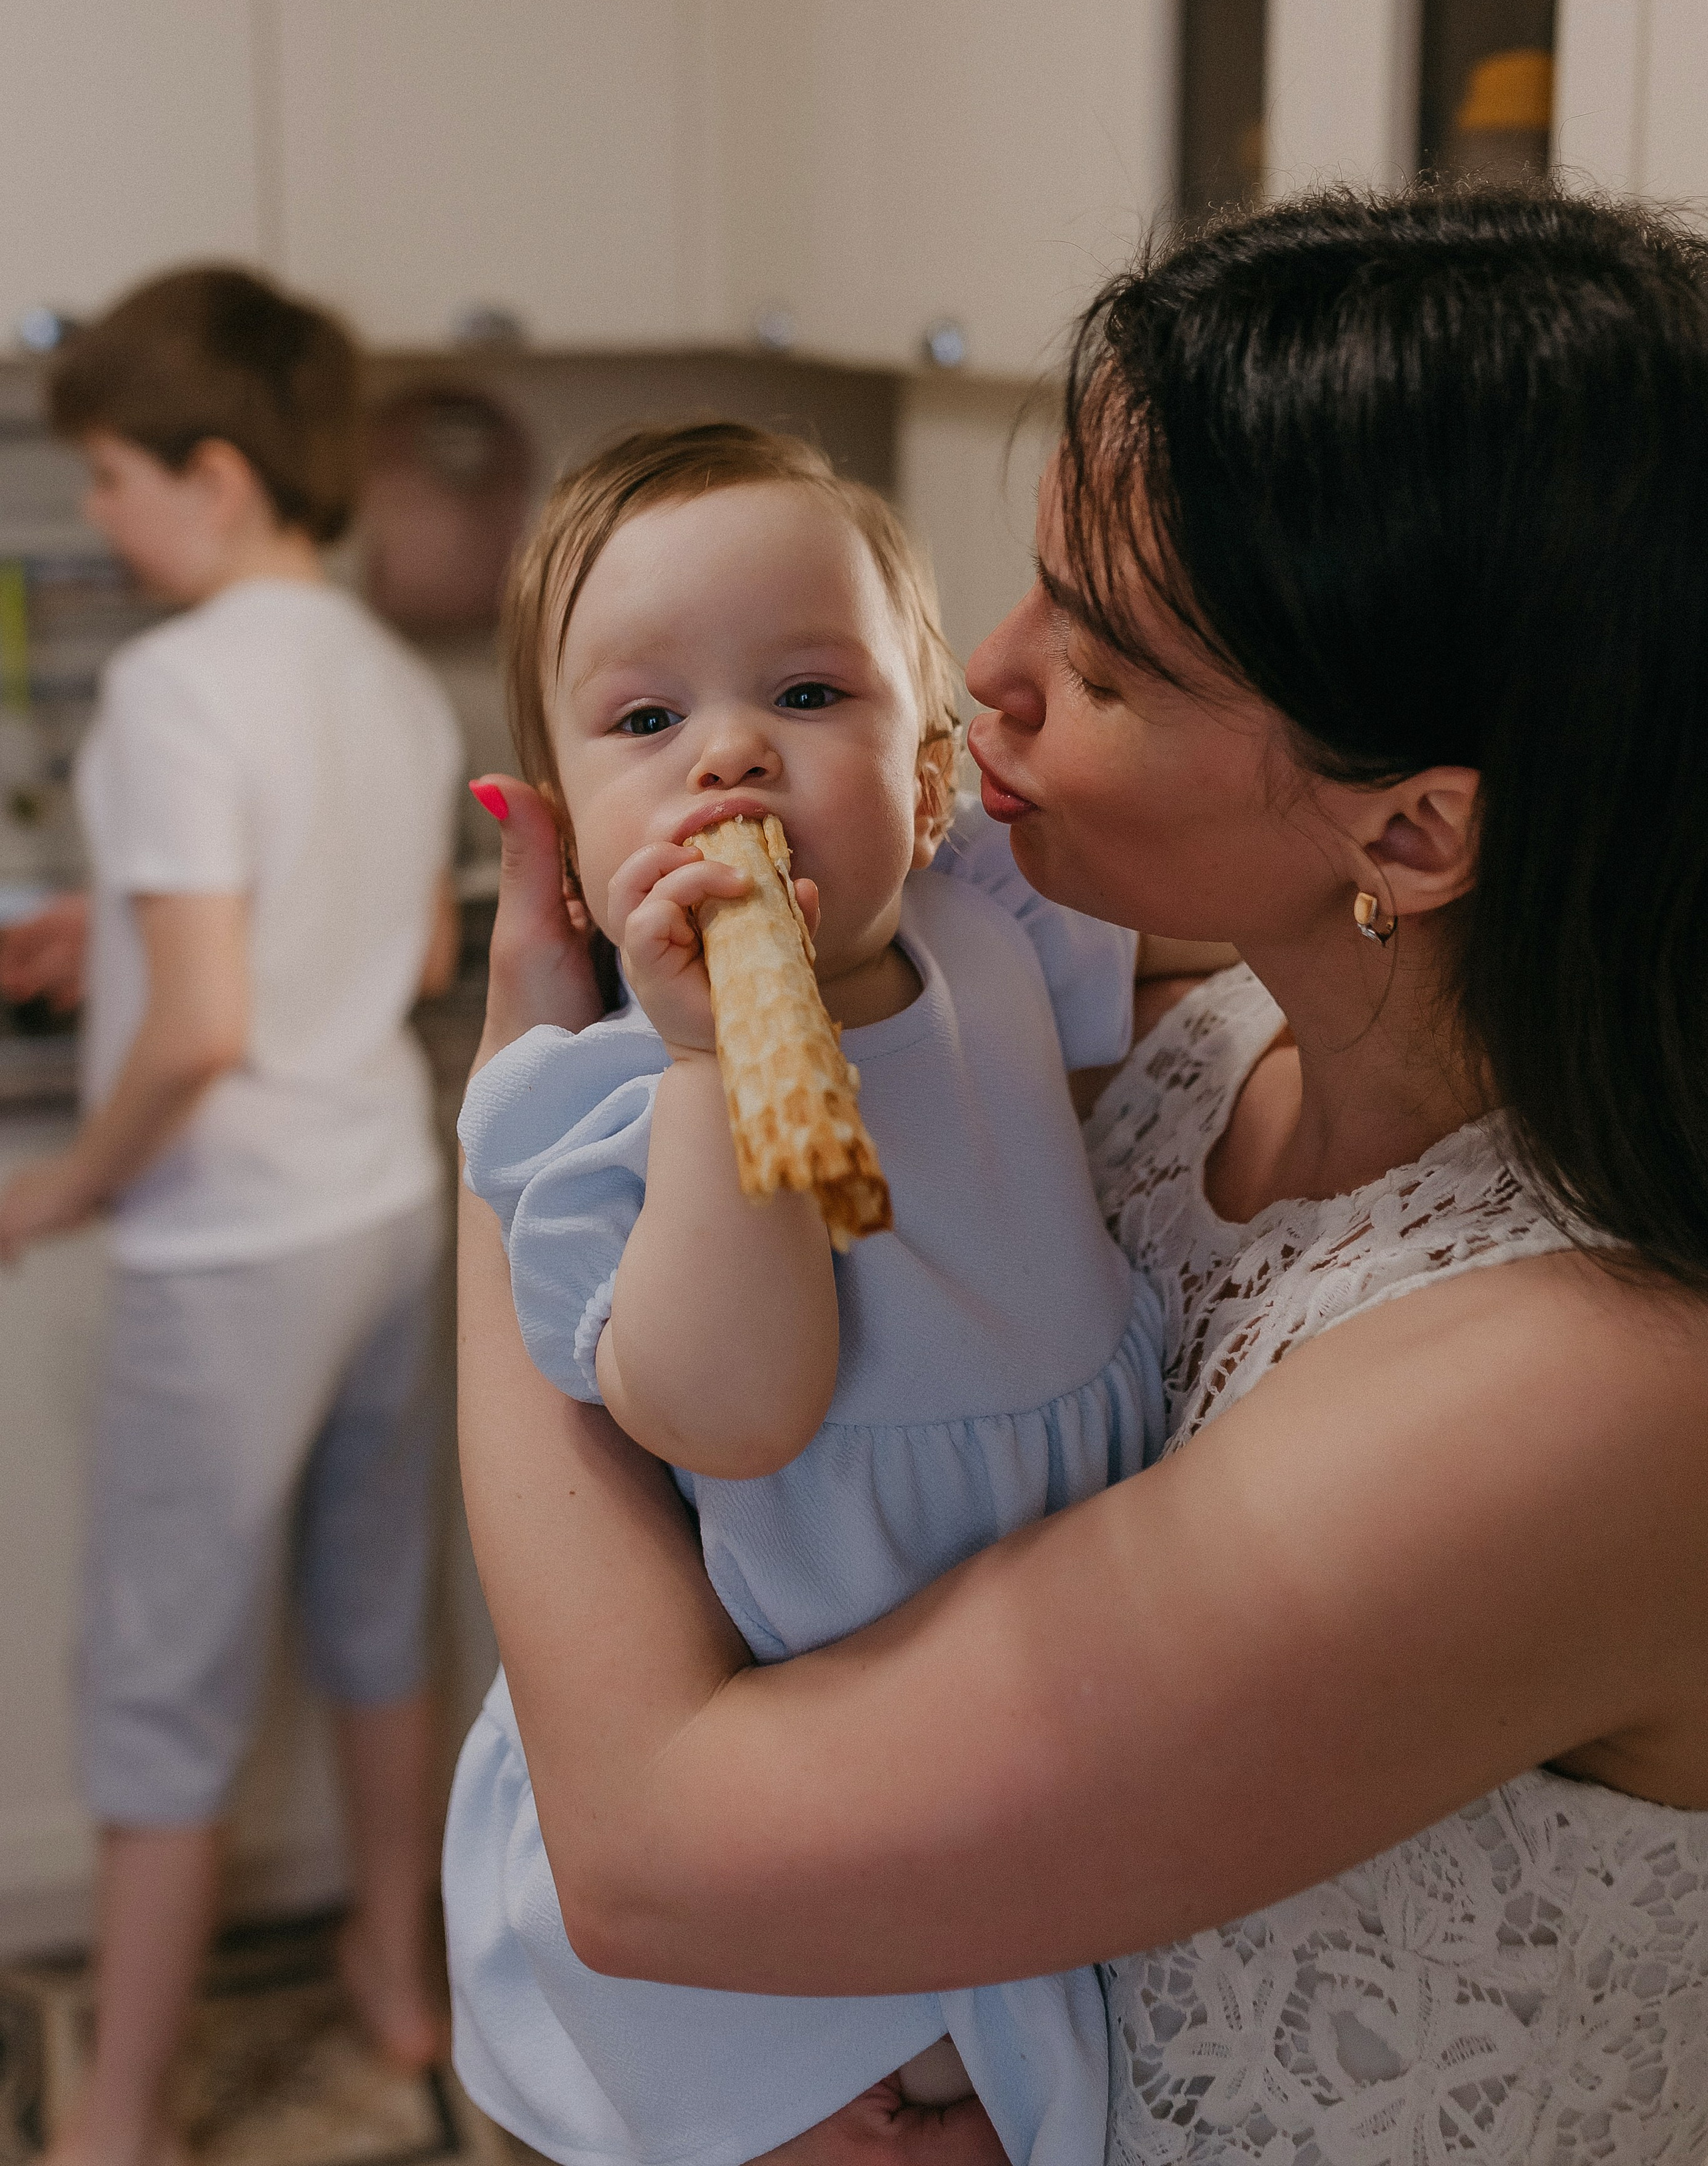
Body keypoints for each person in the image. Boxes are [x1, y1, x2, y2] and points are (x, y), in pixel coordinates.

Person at [451, 188, 1708, 2163]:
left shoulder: (1594, 1386)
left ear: (1412, 828)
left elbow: (653, 1852)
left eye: (1106, 667)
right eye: (1026, 589)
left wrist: (524, 1114)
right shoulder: (1193, 1055)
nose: (985, 687)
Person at [444, 422, 1164, 2165]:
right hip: (777, 1848)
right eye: (643, 722)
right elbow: (731, 1405)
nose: (732, 758)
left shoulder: (985, 920)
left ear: (926, 769)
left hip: (1020, 1722)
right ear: (557, 833)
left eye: (810, 690)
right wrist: (706, 1065)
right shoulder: (600, 1105)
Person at [0, 267, 466, 2166]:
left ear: (210, 471)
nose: (100, 516)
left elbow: (197, 1031)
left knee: (159, 1677)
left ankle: (117, 2113)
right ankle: (398, 1979)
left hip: (230, 1239)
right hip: (382, 1198)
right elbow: (409, 937)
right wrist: (103, 930)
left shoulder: (176, 689)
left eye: (109, 477)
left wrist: (60, 1190)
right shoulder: (382, 668)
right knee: (376, 1614)